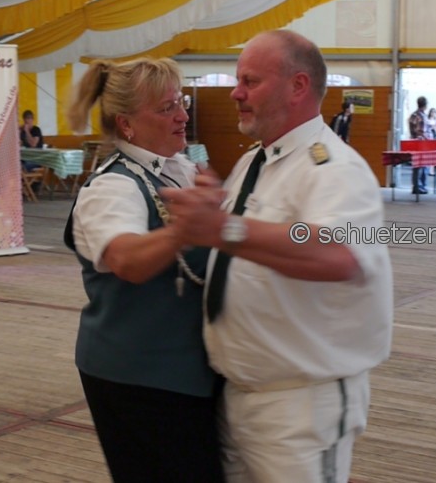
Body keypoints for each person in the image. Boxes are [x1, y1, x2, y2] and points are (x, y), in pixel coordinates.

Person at [162, 30, 393, 482]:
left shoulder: (333, 169)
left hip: (300, 406)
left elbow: (339, 251)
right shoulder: (255, 163)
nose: (236, 93)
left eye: (250, 81)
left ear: (297, 86)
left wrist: (223, 228)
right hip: (239, 395)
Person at [62, 57, 224, 482]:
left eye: (181, 102)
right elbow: (126, 260)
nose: (182, 115)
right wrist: (185, 230)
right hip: (137, 379)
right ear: (127, 124)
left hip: (182, 372)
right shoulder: (112, 186)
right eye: (167, 108)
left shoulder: (182, 171)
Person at [407, 96, 431, 194]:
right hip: (422, 144)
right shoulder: (422, 116)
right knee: (422, 165)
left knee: (416, 166)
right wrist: (429, 141)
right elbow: (421, 132)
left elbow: (412, 130)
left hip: (414, 142)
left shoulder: (413, 115)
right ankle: (420, 186)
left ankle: (415, 185)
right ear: (425, 105)